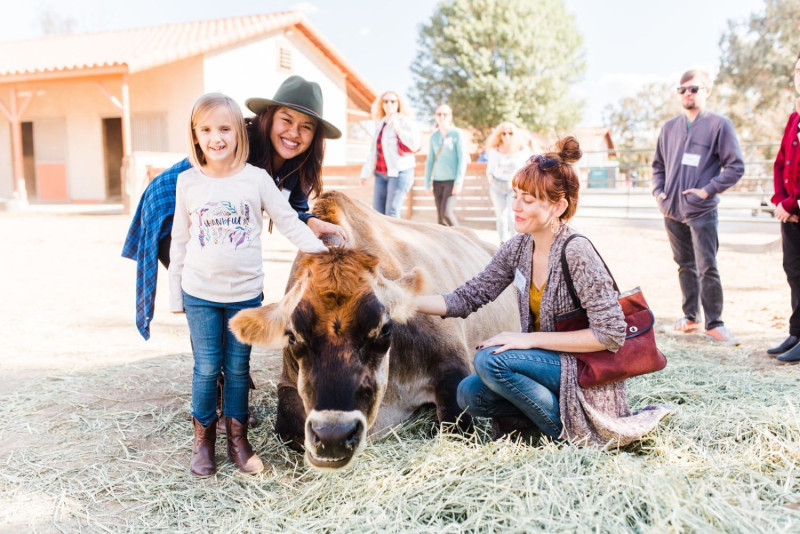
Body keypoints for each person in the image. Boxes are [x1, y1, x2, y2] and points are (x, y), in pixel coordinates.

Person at [415, 136, 672, 446]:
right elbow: (466, 298)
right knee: (469, 393)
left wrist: (526, 339)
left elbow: (611, 334)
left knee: (490, 361)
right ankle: (546, 422)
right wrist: (403, 301)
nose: (516, 206)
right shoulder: (518, 248)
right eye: (515, 195)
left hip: (584, 372)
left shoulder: (576, 251)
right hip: (545, 365)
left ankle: (574, 433)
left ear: (558, 206)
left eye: (529, 199)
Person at [170, 93, 327, 477]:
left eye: (225, 128)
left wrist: (326, 255)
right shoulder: (187, 182)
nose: (216, 138)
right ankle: (203, 441)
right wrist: (175, 293)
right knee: (207, 368)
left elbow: (290, 222)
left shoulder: (256, 180)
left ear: (240, 133)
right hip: (200, 294)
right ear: (195, 135)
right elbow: (179, 241)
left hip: (244, 294)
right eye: (206, 130)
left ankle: (239, 442)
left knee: (239, 370)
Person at [122, 74, 347, 342]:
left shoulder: (297, 165)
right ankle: (213, 367)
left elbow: (290, 209)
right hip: (173, 200)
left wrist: (311, 221)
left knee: (233, 283)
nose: (294, 133)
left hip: (215, 213)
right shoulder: (241, 144)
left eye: (306, 127)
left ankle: (229, 360)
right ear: (269, 117)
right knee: (206, 284)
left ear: (315, 135)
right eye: (286, 120)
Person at [652, 69, 745, 345]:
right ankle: (690, 317)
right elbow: (657, 166)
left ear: (707, 91)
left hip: (701, 211)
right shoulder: (669, 128)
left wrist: (707, 190)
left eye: (693, 89)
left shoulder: (719, 125)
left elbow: (735, 166)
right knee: (684, 265)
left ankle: (715, 323)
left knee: (707, 267)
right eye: (682, 90)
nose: (687, 94)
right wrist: (659, 193)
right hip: (671, 210)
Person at [768, 52, 800, 363]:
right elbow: (780, 163)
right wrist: (780, 201)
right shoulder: (794, 118)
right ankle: (797, 331)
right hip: (789, 215)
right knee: (794, 271)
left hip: (797, 208)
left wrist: (792, 203)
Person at [360, 91, 420, 217]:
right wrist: (365, 173)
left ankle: (395, 238)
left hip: (400, 173)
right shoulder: (380, 124)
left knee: (391, 213)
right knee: (377, 213)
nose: (389, 104)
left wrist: (398, 129)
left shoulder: (405, 122)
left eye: (393, 101)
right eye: (385, 101)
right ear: (381, 104)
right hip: (381, 174)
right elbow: (374, 152)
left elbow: (415, 144)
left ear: (398, 104)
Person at [485, 121, 529, 243]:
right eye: (504, 133)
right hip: (497, 186)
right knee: (501, 217)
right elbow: (490, 169)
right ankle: (503, 243)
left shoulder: (521, 151)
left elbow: (527, 167)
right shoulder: (495, 151)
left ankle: (515, 242)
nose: (507, 136)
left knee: (512, 215)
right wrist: (490, 177)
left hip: (513, 187)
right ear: (500, 135)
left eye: (510, 133)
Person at [424, 104, 467, 226]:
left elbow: (462, 159)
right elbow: (430, 160)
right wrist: (427, 183)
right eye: (439, 114)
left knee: (446, 213)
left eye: (445, 114)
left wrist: (458, 182)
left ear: (450, 116)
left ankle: (463, 239)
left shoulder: (457, 134)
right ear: (435, 117)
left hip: (451, 181)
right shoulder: (434, 136)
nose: (442, 116)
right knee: (440, 219)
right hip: (437, 181)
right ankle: (446, 245)